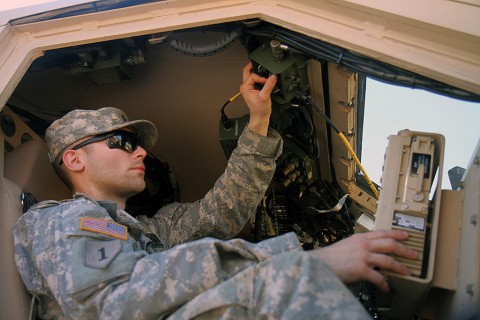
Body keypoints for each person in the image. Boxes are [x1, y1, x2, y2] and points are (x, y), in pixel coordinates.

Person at [13, 62, 418, 319]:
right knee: (287, 283)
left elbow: (225, 209)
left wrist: (257, 120)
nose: (139, 152)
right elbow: (109, 303)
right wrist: (307, 263)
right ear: (74, 160)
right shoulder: (60, 220)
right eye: (120, 142)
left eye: (136, 143)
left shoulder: (153, 230)